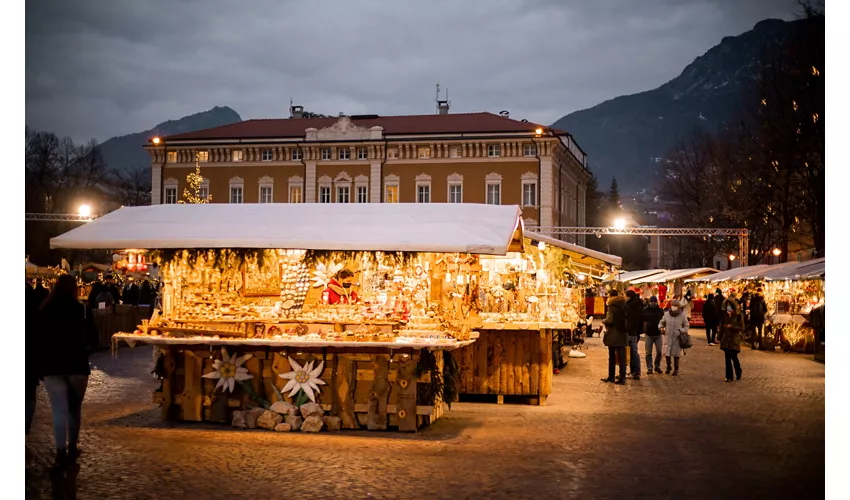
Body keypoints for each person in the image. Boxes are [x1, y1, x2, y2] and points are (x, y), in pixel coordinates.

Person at [38, 274, 99, 467]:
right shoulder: (82, 310)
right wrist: (86, 350)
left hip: (52, 365)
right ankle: (72, 446)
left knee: (59, 410)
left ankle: (60, 451)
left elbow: (37, 339)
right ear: (74, 289)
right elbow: (94, 337)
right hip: (77, 364)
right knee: (74, 408)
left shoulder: (45, 310)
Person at [601, 290, 628, 385]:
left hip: (613, 333)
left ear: (611, 296)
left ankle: (611, 376)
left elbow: (610, 320)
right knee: (622, 357)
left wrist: (603, 321)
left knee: (612, 355)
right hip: (623, 333)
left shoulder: (611, 306)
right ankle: (622, 377)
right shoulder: (624, 305)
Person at [717, 296, 745, 382]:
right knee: (727, 358)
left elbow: (742, 327)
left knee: (734, 357)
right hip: (726, 339)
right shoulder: (725, 315)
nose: (728, 308)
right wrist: (720, 336)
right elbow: (722, 326)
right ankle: (729, 376)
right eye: (727, 306)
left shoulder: (738, 315)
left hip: (734, 339)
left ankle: (738, 371)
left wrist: (732, 326)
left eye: (729, 306)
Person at [659, 299, 689, 376]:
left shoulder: (682, 315)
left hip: (677, 337)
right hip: (668, 336)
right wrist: (661, 328)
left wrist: (681, 330)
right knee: (667, 353)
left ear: (678, 307)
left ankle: (676, 369)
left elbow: (686, 326)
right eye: (672, 305)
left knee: (676, 354)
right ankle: (668, 366)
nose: (673, 307)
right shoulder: (666, 314)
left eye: (675, 305)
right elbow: (661, 322)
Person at [624, 289, 644, 380]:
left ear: (629, 297)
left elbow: (627, 320)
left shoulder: (629, 306)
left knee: (626, 352)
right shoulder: (639, 305)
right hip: (635, 333)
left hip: (629, 332)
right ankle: (636, 372)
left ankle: (628, 371)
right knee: (634, 352)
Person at [643, 296, 665, 374]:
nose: (653, 303)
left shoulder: (660, 311)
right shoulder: (645, 310)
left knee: (659, 351)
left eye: (654, 302)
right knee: (648, 352)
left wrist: (663, 328)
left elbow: (663, 320)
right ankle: (649, 367)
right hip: (649, 334)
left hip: (658, 334)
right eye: (652, 302)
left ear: (656, 302)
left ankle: (657, 366)